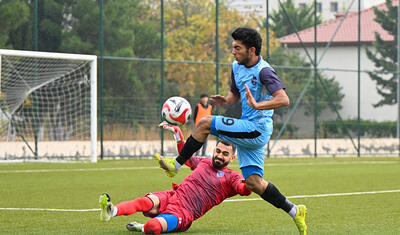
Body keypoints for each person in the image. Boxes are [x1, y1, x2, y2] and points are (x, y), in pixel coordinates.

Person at [155, 27, 307, 234]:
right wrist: (226, 101)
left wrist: (258, 106)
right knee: (254, 182)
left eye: (238, 48)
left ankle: (177, 164)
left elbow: (283, 99)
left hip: (257, 128)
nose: (233, 51)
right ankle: (294, 211)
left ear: (251, 50)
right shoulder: (236, 67)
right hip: (248, 128)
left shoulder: (264, 71)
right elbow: (234, 96)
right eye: (233, 47)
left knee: (205, 123)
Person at [99, 122, 252, 234]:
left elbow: (243, 189)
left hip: (183, 213)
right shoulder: (204, 162)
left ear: (232, 158)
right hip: (172, 196)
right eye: (218, 151)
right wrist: (177, 134)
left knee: (153, 227)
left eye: (225, 154)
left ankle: (141, 227)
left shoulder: (232, 176)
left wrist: (251, 182)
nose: (219, 155)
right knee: (144, 202)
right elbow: (185, 157)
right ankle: (111, 211)